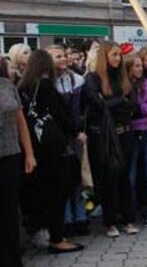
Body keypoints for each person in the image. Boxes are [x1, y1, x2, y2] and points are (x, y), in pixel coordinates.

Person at [18, 50, 85, 254]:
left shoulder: (22, 86)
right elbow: (60, 114)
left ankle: (45, 232)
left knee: (44, 190)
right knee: (59, 190)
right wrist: (76, 131)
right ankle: (57, 238)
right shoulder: (46, 85)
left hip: (33, 146)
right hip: (52, 147)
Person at [82, 41, 139, 238]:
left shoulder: (123, 77)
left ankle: (129, 219)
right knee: (107, 180)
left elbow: (132, 104)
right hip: (103, 136)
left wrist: (113, 103)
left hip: (125, 134)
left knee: (125, 178)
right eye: (114, 54)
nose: (117, 58)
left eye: (119, 55)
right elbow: (97, 104)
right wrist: (118, 101)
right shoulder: (92, 78)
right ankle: (110, 222)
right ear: (104, 56)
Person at [46, 45, 89, 237]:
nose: (62, 59)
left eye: (63, 55)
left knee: (77, 179)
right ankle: (66, 220)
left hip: (75, 135)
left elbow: (81, 109)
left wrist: (79, 129)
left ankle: (80, 218)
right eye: (57, 56)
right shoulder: (45, 82)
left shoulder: (76, 79)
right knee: (61, 182)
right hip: (57, 138)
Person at [0, 58, 37, 267]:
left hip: (10, 155)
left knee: (10, 211)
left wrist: (29, 154)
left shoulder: (7, 85)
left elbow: (20, 120)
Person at [126, 54, 147, 226]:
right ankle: (131, 214)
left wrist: (138, 108)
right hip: (130, 132)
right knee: (130, 177)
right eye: (136, 66)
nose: (140, 69)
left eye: (141, 65)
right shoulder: (124, 86)